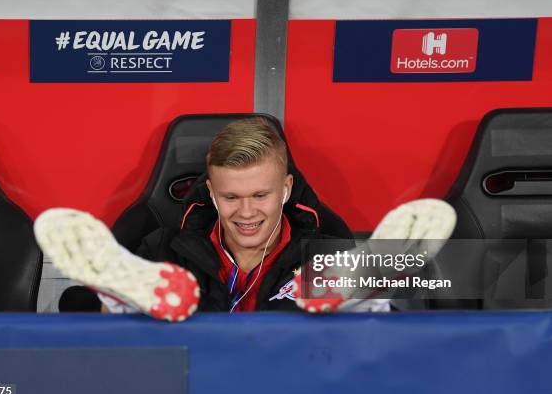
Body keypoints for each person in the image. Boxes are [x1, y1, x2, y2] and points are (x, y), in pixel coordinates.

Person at [34, 118, 456, 321]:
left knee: (362, 316)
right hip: (189, 381)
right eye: (231, 197)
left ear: (287, 190)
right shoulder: (162, 248)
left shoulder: (326, 248)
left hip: (292, 383)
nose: (248, 212)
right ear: (211, 194)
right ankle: (121, 300)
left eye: (261, 195)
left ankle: (365, 293)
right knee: (111, 319)